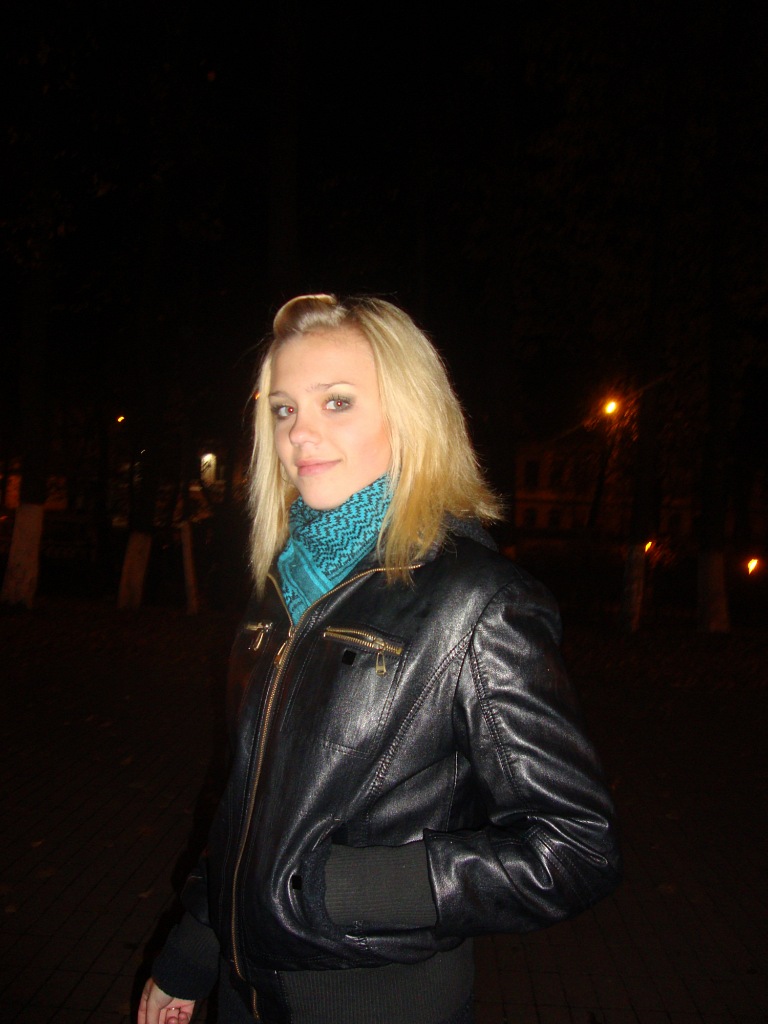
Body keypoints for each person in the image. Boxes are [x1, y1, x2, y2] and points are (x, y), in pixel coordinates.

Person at [139, 294, 621, 1024]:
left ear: (411, 415)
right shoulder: (284, 588)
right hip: (242, 994)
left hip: (373, 1002)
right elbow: (244, 794)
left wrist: (353, 889)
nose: (300, 432)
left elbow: (577, 847)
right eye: (283, 408)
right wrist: (193, 946)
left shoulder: (476, 603)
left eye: (337, 402)